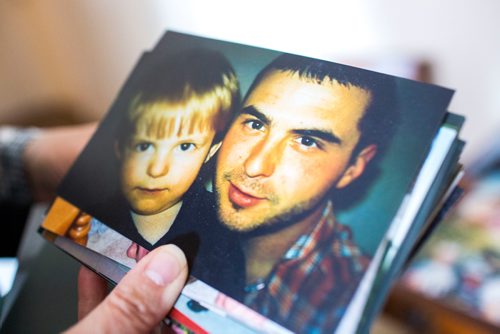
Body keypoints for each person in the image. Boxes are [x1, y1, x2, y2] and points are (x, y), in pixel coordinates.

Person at [213, 54, 399, 332]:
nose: (254, 165)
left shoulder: (353, 301)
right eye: (255, 124)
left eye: (306, 141)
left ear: (353, 167)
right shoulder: (173, 212)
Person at [110, 48, 240, 248]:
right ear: (120, 148)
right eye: (144, 146)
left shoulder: (220, 239)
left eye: (185, 146)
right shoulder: (87, 220)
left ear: (210, 152)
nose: (157, 169)